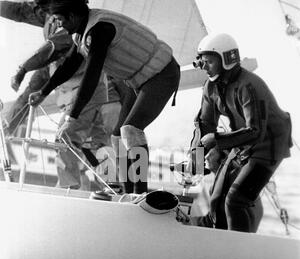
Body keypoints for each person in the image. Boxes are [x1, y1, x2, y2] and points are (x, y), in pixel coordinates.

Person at [29, 0, 181, 194]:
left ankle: (141, 194)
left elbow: (91, 77)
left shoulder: (99, 30)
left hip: (162, 73)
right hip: (140, 82)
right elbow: (70, 65)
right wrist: (43, 92)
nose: (58, 25)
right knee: (118, 136)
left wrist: (72, 118)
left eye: (59, 20)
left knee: (131, 130)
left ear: (73, 17)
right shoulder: (82, 33)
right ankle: (128, 194)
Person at [0, 0, 121, 189]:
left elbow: (52, 50)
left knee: (66, 137)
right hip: (78, 94)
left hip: (85, 93)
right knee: (94, 145)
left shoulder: (71, 25)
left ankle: (69, 189)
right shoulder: (53, 15)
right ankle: (111, 187)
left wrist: (23, 69)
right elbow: (20, 12)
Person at [189, 33, 292, 233]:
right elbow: (205, 123)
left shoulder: (249, 85)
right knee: (216, 199)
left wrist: (217, 142)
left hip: (268, 145)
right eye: (203, 62)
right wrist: (196, 157)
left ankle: (239, 253)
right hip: (242, 142)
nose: (205, 67)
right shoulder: (210, 87)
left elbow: (255, 131)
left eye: (209, 61)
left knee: (236, 200)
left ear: (227, 61)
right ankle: (218, 246)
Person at [179, 147, 264, 232]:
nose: (206, 157)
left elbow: (214, 221)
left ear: (224, 157)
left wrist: (187, 220)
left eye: (211, 154)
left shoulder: (228, 183)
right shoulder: (239, 177)